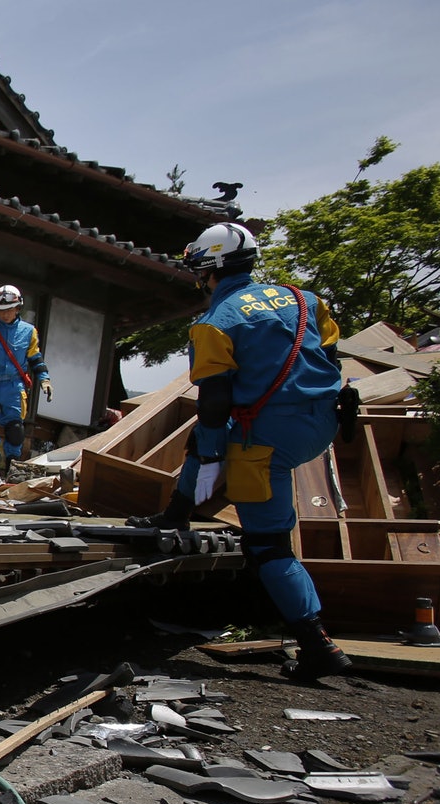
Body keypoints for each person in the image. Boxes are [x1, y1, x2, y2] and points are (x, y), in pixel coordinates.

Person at [130, 222, 351, 680]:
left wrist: (210, 456)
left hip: (268, 439)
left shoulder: (215, 323)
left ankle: (317, 645)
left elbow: (213, 404)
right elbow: (331, 356)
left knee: (267, 545)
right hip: (324, 422)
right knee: (209, 441)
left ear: (205, 270)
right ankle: (176, 511)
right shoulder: (304, 298)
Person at [0, 285, 51, 475]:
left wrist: (44, 379)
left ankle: (12, 466)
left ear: (18, 308)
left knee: (15, 430)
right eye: (0, 311)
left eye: (9, 310)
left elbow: (35, 358)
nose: (4, 314)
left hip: (13, 385)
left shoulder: (29, 331)